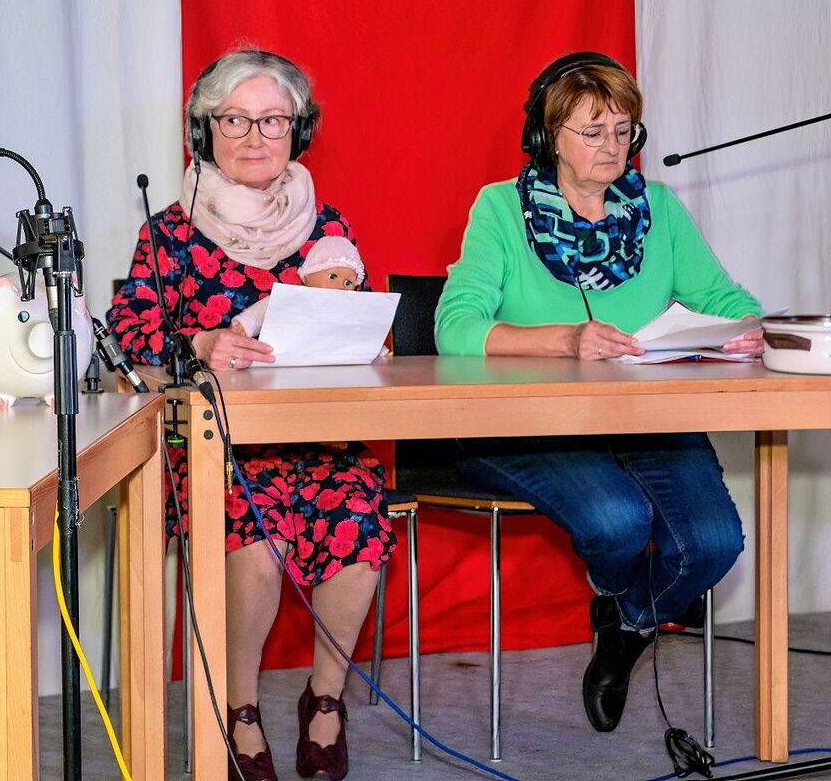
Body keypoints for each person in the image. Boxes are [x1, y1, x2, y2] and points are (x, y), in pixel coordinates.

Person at [435, 51, 758, 733]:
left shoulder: (657, 209)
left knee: (714, 543)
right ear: (547, 137)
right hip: (528, 424)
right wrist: (563, 339)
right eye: (593, 131)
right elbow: (454, 326)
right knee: (617, 521)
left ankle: (625, 621)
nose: (613, 146)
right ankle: (629, 605)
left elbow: (726, 299)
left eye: (623, 130)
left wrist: (748, 329)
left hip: (646, 417)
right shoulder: (500, 208)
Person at [108, 48, 393, 781]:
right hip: (215, 449)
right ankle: (238, 711)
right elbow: (126, 336)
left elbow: (357, 319)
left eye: (273, 120)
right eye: (235, 119)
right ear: (204, 130)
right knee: (256, 533)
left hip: (319, 439)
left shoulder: (327, 225)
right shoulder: (168, 233)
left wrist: (369, 337)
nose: (256, 136)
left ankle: (325, 699)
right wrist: (199, 342)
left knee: (359, 517)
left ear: (299, 130)